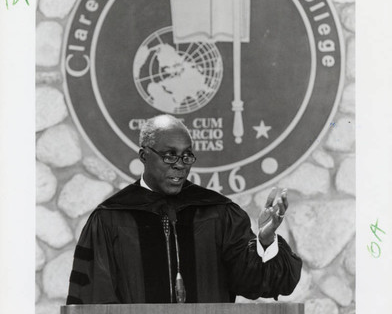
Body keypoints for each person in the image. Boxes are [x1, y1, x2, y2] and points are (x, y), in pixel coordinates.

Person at [66, 115, 302, 304]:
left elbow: (256, 283)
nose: (179, 165)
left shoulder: (217, 213)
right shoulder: (110, 218)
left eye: (186, 156)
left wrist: (265, 239)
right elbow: (92, 303)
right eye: (170, 156)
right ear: (144, 156)